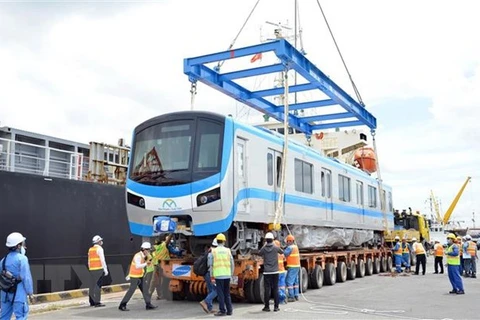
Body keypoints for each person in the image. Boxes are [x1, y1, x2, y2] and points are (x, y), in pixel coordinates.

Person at [0, 232, 34, 320]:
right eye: (22, 244)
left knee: (4, 317)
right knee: (21, 317)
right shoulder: (22, 259)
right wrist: (30, 293)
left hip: (5, 294)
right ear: (18, 246)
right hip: (18, 295)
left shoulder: (3, 260)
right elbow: (26, 277)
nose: (24, 246)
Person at [118, 242, 158, 311]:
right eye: (148, 250)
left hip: (140, 275)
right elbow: (137, 266)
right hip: (134, 276)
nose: (148, 252)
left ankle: (148, 304)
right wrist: (146, 263)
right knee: (131, 291)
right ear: (144, 250)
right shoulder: (138, 256)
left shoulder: (143, 255)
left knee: (145, 290)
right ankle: (122, 305)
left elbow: (150, 260)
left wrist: (149, 257)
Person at [149, 234, 183, 300]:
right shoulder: (164, 245)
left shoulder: (154, 247)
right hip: (163, 265)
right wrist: (171, 232)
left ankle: (154, 294)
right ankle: (161, 294)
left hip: (156, 265)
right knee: (163, 281)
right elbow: (170, 243)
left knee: (155, 281)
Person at [208, 233, 234, 317]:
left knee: (220, 293)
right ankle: (229, 310)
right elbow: (232, 263)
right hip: (227, 274)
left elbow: (210, 264)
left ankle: (222, 310)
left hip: (218, 275)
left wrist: (211, 275)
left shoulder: (213, 251)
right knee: (227, 293)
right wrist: (231, 273)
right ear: (224, 241)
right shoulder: (228, 250)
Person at [258, 232, 283, 312]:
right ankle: (276, 307)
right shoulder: (276, 247)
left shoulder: (264, 248)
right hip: (275, 271)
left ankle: (267, 307)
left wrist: (264, 245)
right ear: (272, 239)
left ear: (266, 240)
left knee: (267, 289)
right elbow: (282, 252)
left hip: (267, 272)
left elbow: (259, 253)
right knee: (275, 289)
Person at [88, 235, 108, 307]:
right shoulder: (100, 249)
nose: (101, 242)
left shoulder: (90, 249)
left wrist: (90, 268)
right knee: (98, 286)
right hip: (99, 269)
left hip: (92, 270)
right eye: (100, 240)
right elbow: (102, 260)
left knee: (92, 286)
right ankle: (97, 302)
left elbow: (89, 261)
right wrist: (105, 269)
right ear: (98, 241)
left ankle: (91, 302)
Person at [199, 239, 218, 314]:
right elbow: (211, 265)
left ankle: (210, 308)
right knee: (216, 290)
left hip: (206, 274)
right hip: (211, 274)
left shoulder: (208, 250)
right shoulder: (213, 252)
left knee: (211, 290)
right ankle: (205, 301)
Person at [284, 234, 300, 302]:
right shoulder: (295, 247)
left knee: (289, 282)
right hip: (297, 266)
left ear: (289, 241)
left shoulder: (289, 248)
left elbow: (284, 254)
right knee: (295, 282)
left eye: (287, 241)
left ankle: (291, 296)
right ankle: (296, 295)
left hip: (292, 266)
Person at [274, 240, 287, 305]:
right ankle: (283, 300)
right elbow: (284, 259)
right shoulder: (281, 252)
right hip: (282, 271)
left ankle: (281, 297)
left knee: (276, 287)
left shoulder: (273, 253)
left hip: (277, 272)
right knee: (282, 286)